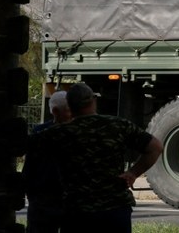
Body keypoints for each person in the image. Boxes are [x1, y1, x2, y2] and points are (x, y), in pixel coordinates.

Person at [39, 82, 163, 233]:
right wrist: (133, 172)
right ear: (94, 101)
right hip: (115, 210)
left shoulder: (58, 133)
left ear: (70, 107)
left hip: (77, 212)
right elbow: (155, 147)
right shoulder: (118, 125)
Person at [24, 91, 72, 233]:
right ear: (56, 111)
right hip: (56, 197)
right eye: (69, 110)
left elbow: (29, 165)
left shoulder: (39, 132)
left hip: (42, 198)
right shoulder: (78, 132)